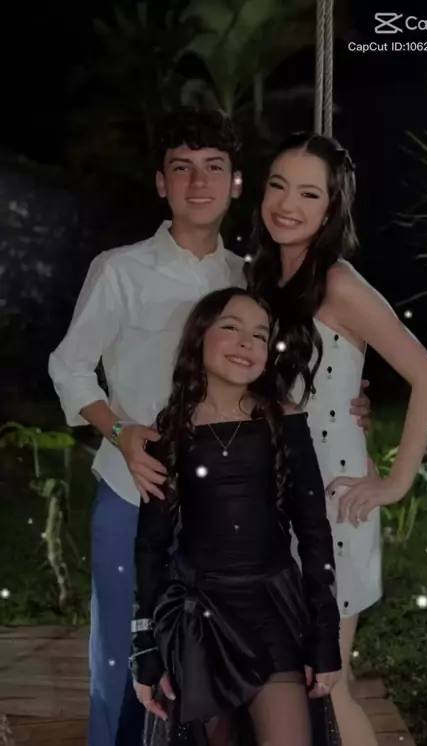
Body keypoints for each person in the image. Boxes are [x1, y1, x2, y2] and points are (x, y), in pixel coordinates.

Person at [48, 108, 369, 746]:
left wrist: (351, 395)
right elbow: (69, 366)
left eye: (213, 168)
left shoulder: (247, 277)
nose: (198, 183)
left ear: (235, 183)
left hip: (228, 511)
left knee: (219, 684)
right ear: (160, 182)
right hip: (138, 489)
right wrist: (121, 433)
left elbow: (287, 366)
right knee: (122, 662)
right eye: (181, 168)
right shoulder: (120, 269)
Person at [246, 131, 427, 746]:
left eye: (310, 194)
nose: (288, 204)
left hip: (332, 505)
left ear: (332, 208)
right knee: (291, 680)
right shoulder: (263, 278)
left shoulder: (339, 283)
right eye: (279, 185)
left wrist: (395, 482)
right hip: (275, 499)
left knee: (326, 683)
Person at [130, 287, 342, 746]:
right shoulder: (169, 430)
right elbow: (150, 545)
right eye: (231, 327)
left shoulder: (285, 420)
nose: (247, 342)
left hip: (271, 610)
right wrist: (144, 643)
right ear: (199, 337)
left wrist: (326, 634)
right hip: (201, 619)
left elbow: (313, 531)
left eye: (260, 335)